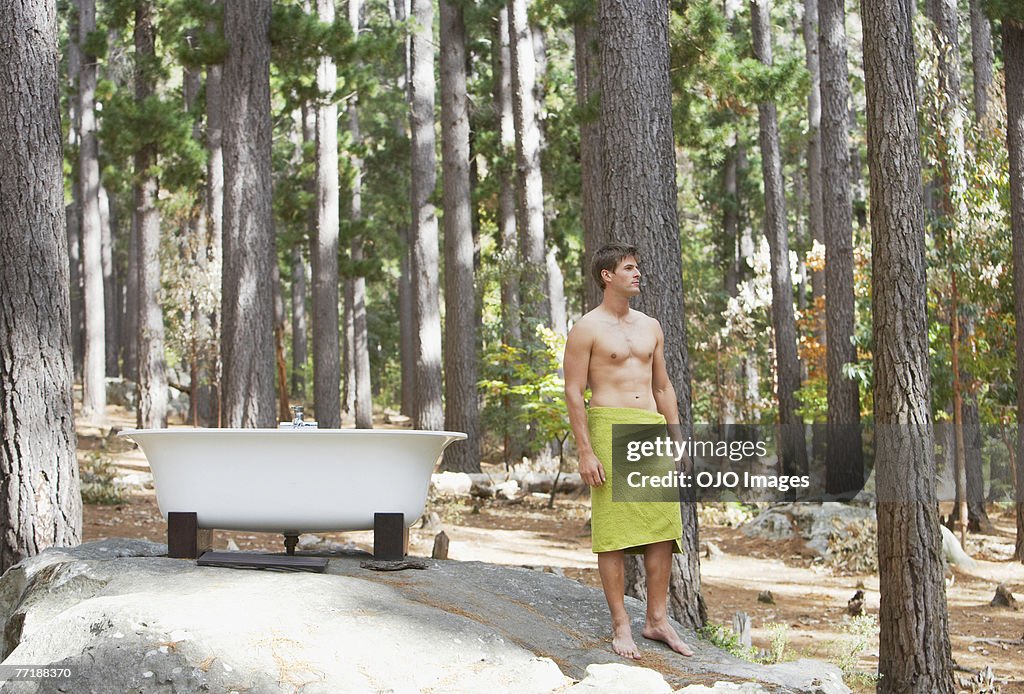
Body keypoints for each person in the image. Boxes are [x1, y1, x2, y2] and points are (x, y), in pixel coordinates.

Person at [563, 241, 694, 660]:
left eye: (637, 268)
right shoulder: (587, 328)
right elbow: (573, 391)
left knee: (661, 529)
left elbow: (662, 386)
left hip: (650, 429)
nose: (637, 274)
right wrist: (585, 451)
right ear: (608, 276)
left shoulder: (651, 325)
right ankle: (621, 624)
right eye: (629, 268)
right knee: (614, 533)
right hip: (608, 426)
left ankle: (656, 620)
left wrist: (676, 437)